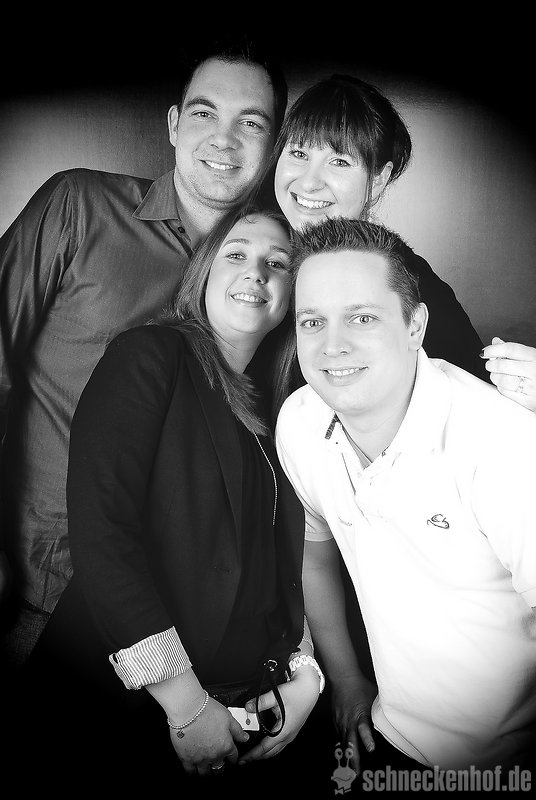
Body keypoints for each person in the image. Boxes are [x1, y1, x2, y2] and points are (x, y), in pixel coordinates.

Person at [10, 206, 324, 792]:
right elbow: (104, 532)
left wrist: (306, 675)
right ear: (203, 271)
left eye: (278, 263)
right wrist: (185, 705)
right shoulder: (150, 355)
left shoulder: (286, 406)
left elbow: (290, 561)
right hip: (132, 706)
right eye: (236, 254)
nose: (256, 272)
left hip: (247, 706)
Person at [0, 36, 288, 667]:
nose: (224, 139)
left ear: (272, 147)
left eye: (251, 123)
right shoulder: (81, 206)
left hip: (184, 615)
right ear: (174, 124)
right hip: (41, 580)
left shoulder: (273, 275)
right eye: (205, 113)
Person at [275, 216, 536, 777]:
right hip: (388, 735)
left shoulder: (503, 444)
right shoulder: (300, 421)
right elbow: (314, 550)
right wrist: (345, 677)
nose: (333, 345)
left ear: (415, 325)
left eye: (362, 317)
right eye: (312, 321)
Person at [266, 73, 536, 404]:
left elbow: (478, 404)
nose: (309, 182)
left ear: (378, 180)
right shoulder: (256, 260)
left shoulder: (409, 283)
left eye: (339, 161)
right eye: (298, 154)